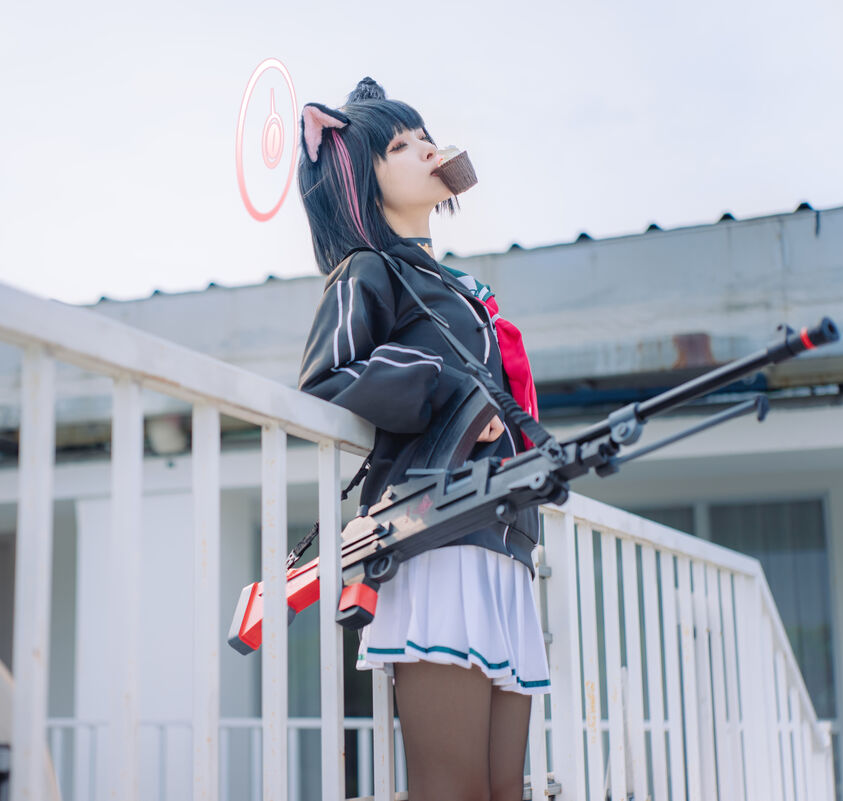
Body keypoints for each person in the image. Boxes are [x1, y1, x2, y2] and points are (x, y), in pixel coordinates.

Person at [295, 76, 550, 801]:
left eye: (424, 137)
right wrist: (451, 393)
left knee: (504, 790)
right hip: (434, 541)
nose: (427, 149)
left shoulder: (461, 288)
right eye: (400, 145)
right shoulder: (368, 270)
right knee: (454, 788)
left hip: (501, 543)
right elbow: (327, 376)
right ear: (358, 177)